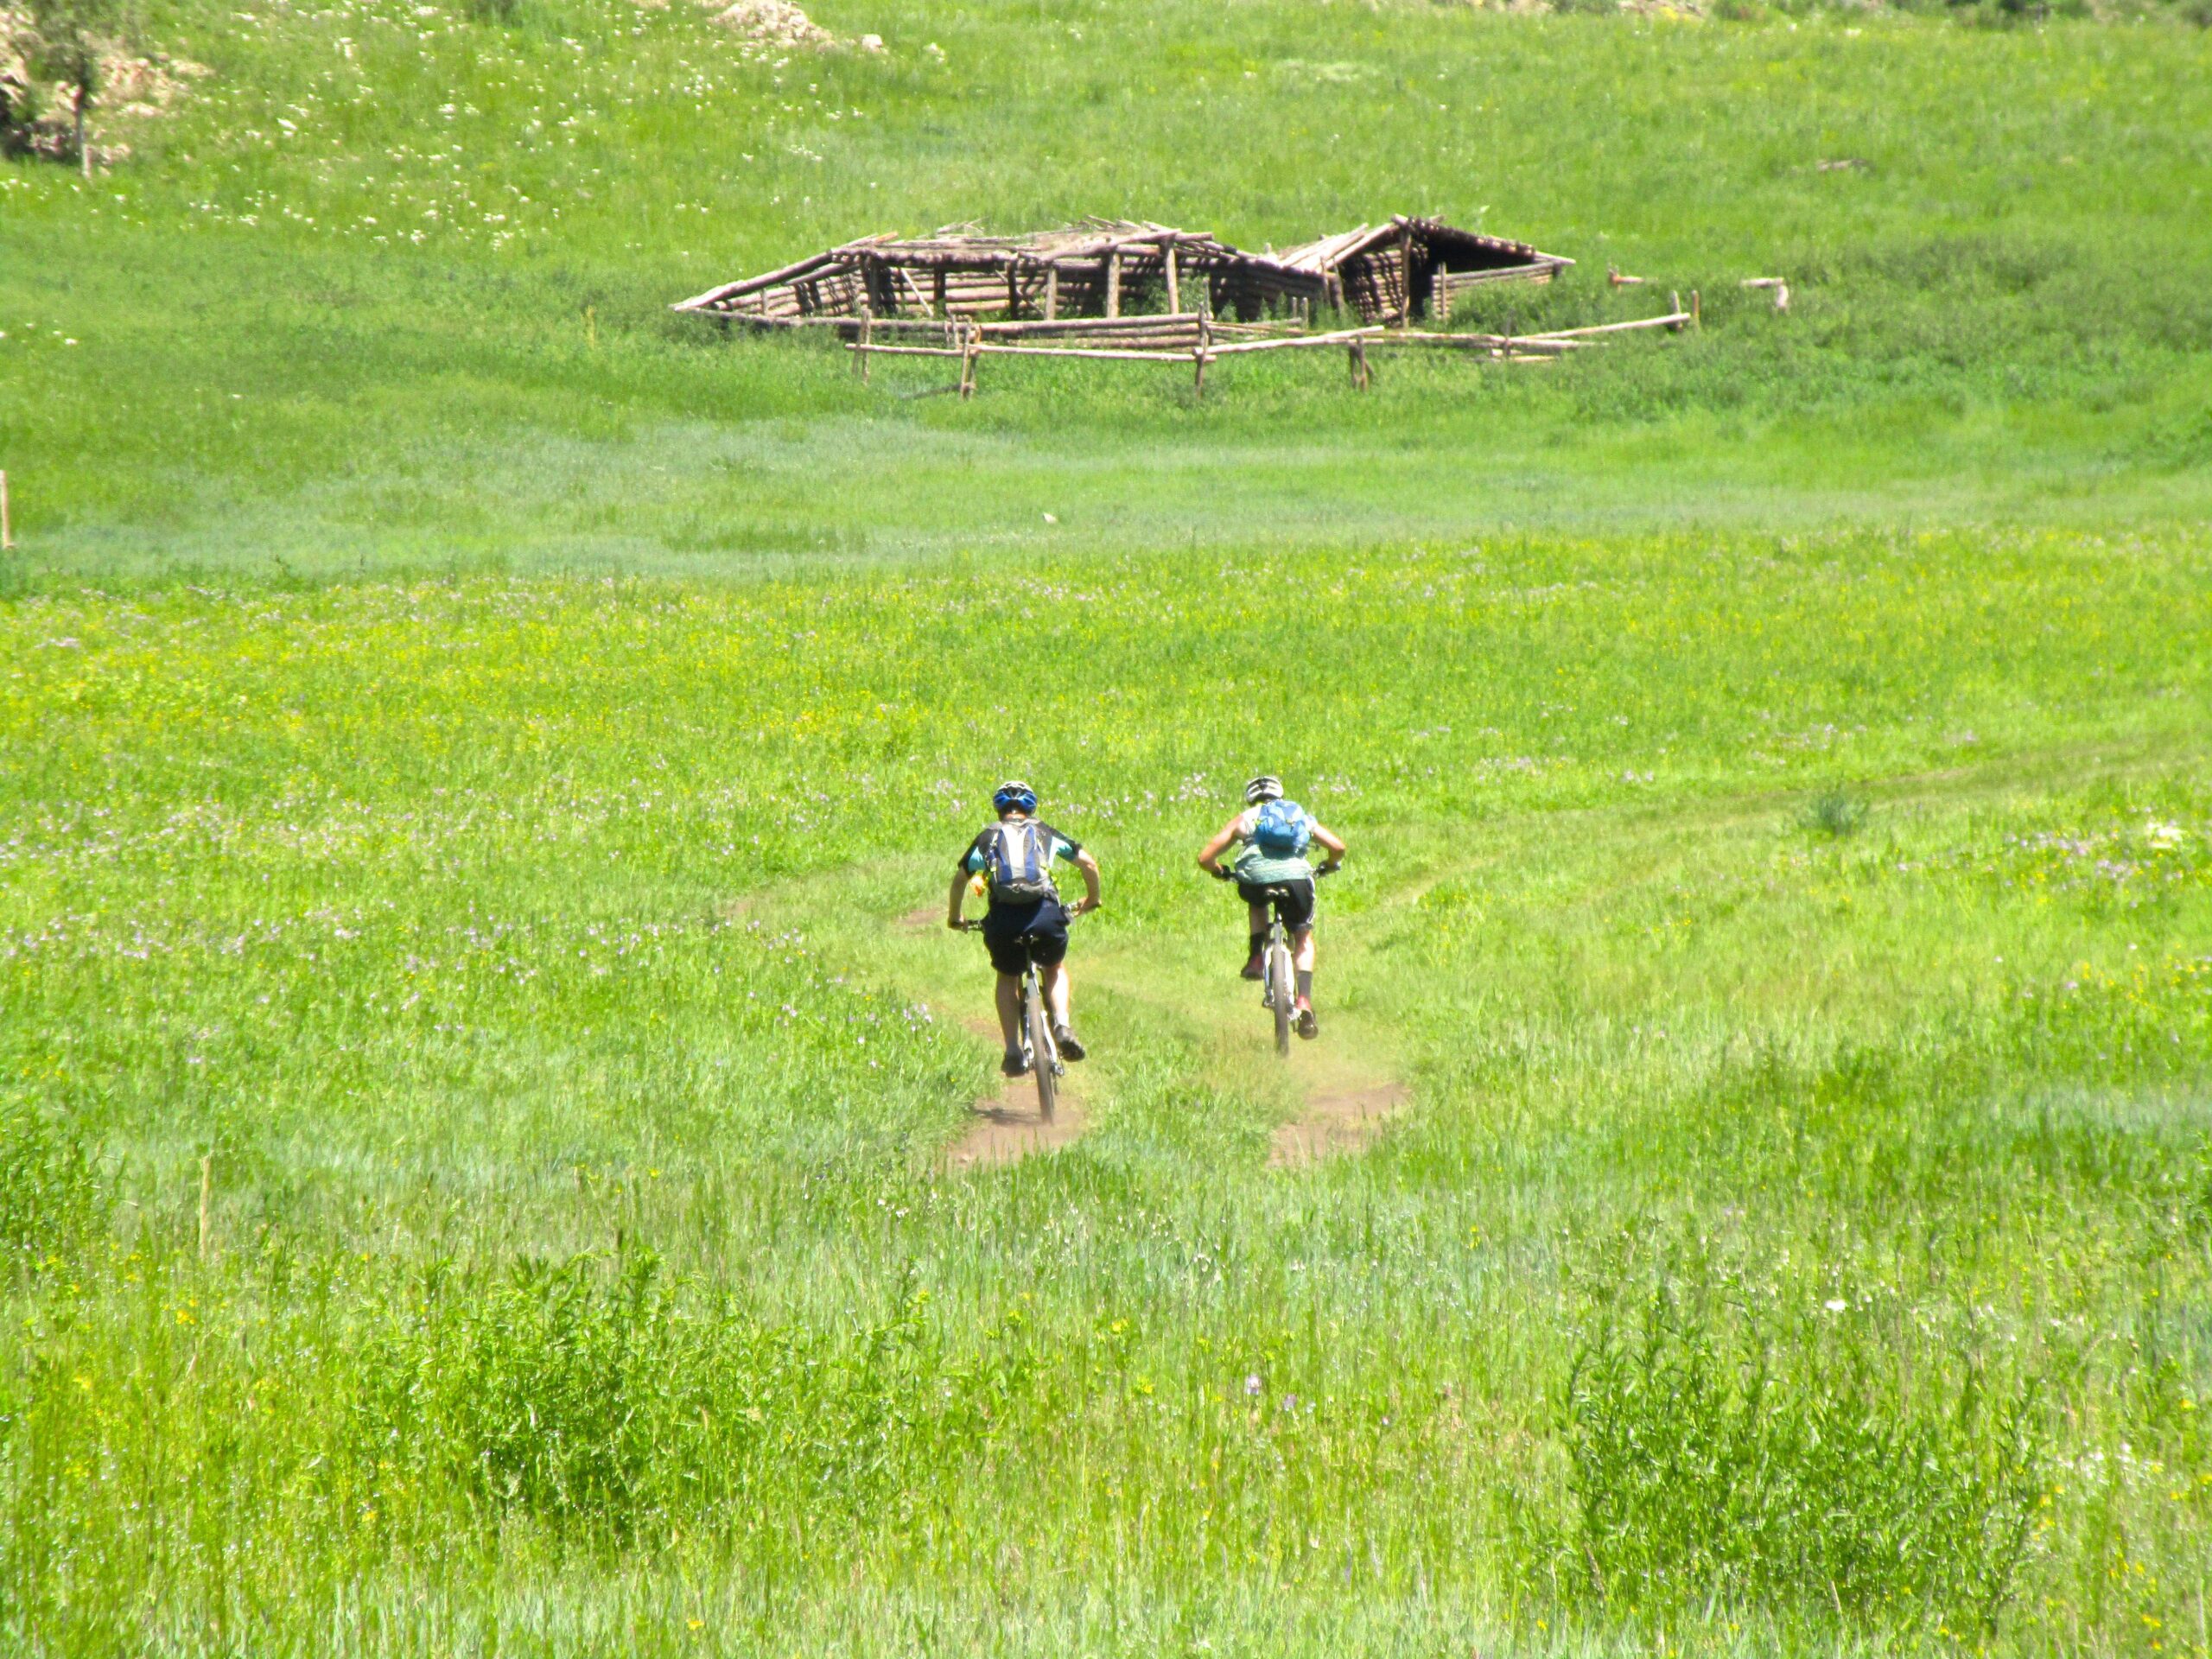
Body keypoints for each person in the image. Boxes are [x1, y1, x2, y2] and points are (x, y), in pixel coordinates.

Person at [948, 780, 1102, 1077]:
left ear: (999, 808)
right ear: (1031, 807)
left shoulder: (988, 836)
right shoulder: (1043, 832)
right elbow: (1088, 864)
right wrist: (1092, 899)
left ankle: (1013, 1051)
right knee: (1054, 966)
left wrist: (956, 917)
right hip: (1045, 915)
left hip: (1003, 922)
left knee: (1008, 976)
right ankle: (1062, 1026)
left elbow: (959, 881)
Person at [1196, 775, 1344, 1039]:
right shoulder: (1296, 815)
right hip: (1297, 879)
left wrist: (1220, 872)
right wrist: (1330, 864)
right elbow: (1337, 846)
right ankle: (1305, 1002)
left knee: (1256, 901)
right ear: (1281, 795)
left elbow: (1205, 857)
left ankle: (1255, 957)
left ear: (1251, 797)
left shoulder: (1245, 818)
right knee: (1303, 936)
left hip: (1255, 879)